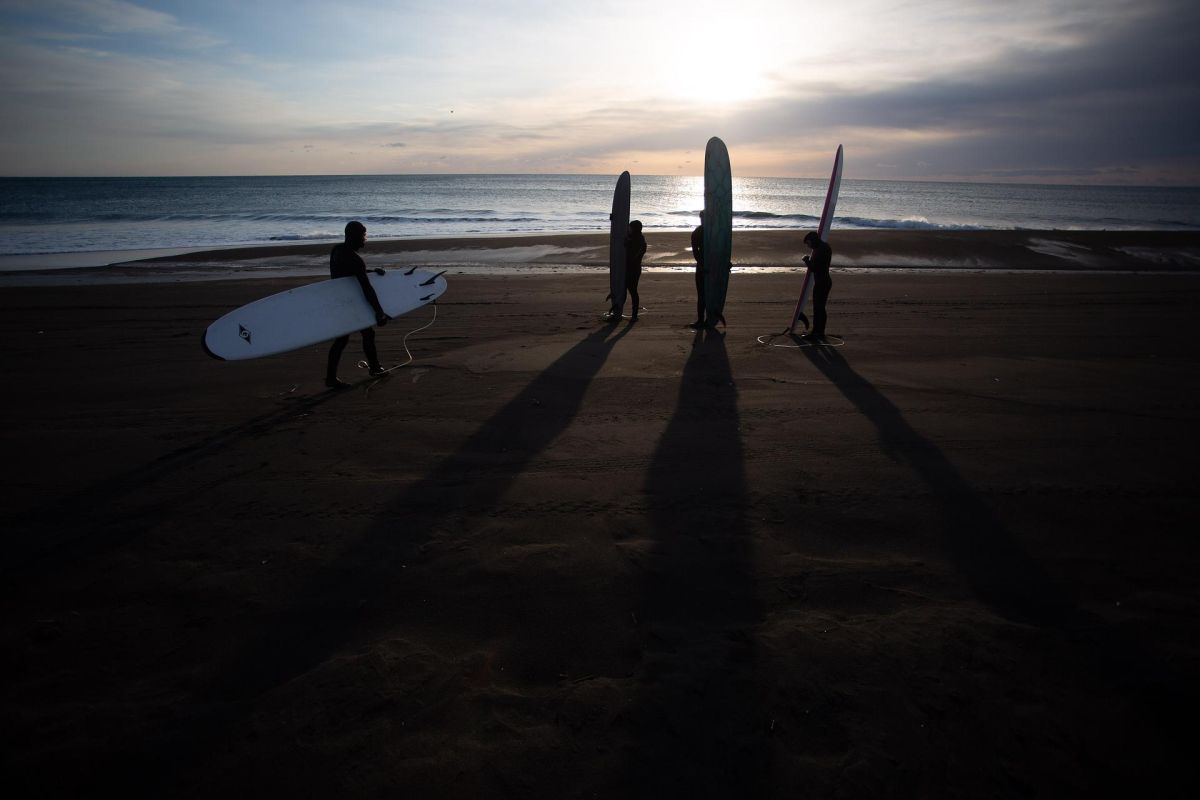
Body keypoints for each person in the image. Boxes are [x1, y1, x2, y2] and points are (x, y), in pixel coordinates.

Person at [325, 220, 390, 389]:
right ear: (353, 236)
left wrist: (371, 271)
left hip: (338, 300)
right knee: (350, 337)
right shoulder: (355, 259)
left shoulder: (337, 251)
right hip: (351, 302)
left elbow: (348, 274)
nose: (365, 239)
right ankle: (372, 369)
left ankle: (373, 368)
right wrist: (379, 311)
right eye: (362, 235)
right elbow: (366, 287)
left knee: (356, 336)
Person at [802, 231, 833, 339]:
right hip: (824, 281)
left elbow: (815, 269)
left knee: (818, 308)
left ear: (812, 240)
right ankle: (819, 331)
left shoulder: (821, 250)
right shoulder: (823, 247)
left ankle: (817, 332)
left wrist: (806, 261)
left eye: (808, 243)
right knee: (820, 308)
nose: (808, 246)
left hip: (822, 282)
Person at [624, 219, 647, 320]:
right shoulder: (637, 239)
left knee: (632, 290)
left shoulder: (638, 241)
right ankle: (632, 314)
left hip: (633, 269)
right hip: (632, 268)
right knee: (630, 290)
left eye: (630, 228)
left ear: (634, 229)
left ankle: (634, 315)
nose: (628, 229)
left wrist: (627, 243)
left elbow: (634, 256)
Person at [689, 213, 706, 328]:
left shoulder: (698, 232)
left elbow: (721, 248)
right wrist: (701, 264)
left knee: (704, 295)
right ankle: (701, 320)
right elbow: (696, 251)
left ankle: (705, 320)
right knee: (702, 294)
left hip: (707, 266)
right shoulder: (697, 232)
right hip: (704, 265)